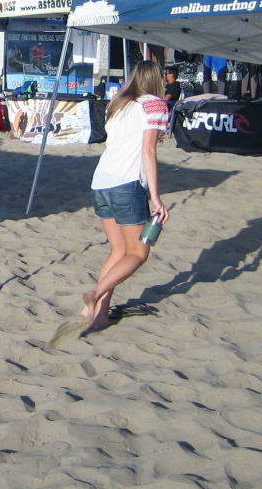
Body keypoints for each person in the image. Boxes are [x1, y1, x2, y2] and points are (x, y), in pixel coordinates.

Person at [82, 60, 170, 333]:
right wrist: (156, 197)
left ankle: (98, 315)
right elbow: (148, 151)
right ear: (156, 79)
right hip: (127, 183)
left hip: (101, 182)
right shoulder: (154, 104)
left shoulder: (118, 103)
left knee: (118, 251)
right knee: (138, 253)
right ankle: (96, 294)